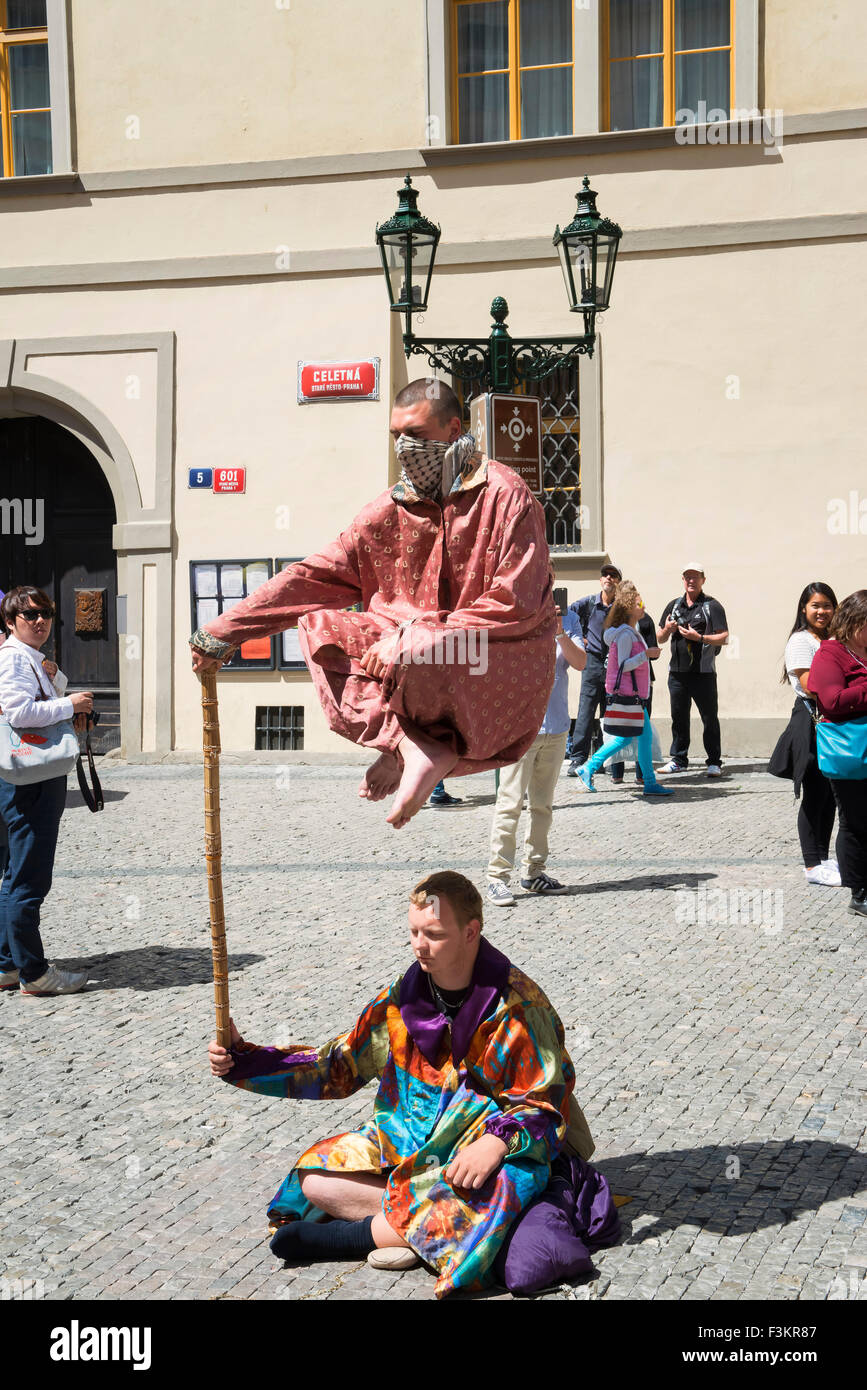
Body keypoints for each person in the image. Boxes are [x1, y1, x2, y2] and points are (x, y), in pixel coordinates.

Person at [208, 870, 594, 1298]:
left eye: (433, 933)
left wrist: (496, 1143)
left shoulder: (517, 1007)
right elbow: (337, 1067)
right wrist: (246, 1061)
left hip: (478, 1152)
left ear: (471, 932)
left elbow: (543, 1105)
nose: (419, 945)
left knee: (506, 1188)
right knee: (315, 1178)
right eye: (413, 931)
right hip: (404, 1142)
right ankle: (423, 1231)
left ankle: (362, 1235)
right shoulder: (402, 998)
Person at [190, 380, 557, 830]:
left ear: (453, 428)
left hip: (491, 667)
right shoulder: (383, 513)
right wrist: (225, 631)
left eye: (418, 435)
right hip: (413, 675)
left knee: (417, 646)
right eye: (396, 437)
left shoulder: (507, 495)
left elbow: (512, 602)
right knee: (318, 628)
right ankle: (404, 742)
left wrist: (414, 636)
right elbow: (310, 578)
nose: (405, 448)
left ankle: (412, 745)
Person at [0, 586, 94, 995]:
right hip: (31, 780)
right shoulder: (14, 659)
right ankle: (35, 974)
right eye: (29, 615)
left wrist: (57, 680)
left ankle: (7, 965)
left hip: (31, 777)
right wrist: (70, 705)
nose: (39, 621)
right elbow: (19, 712)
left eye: (45, 614)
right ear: (10, 621)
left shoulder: (31, 659)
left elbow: (42, 695)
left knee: (16, 875)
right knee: (29, 881)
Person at [486, 606, 586, 905]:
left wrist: (559, 632)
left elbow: (580, 662)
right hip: (520, 729)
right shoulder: (512, 615)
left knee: (543, 806)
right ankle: (497, 877)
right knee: (510, 803)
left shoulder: (568, 619)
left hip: (555, 727)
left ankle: (534, 871)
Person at [768, 583, 840, 886]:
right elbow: (811, 685)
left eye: (827, 605)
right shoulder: (801, 641)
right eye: (816, 606)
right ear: (804, 609)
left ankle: (823, 858)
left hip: (830, 718)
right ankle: (812, 864)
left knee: (829, 795)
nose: (822, 611)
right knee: (814, 792)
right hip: (811, 718)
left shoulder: (832, 639)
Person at [573, 581, 673, 797]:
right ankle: (592, 768)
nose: (644, 606)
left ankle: (647, 782)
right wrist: (645, 656)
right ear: (629, 609)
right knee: (629, 738)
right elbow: (622, 666)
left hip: (633, 695)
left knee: (632, 738)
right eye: (640, 603)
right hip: (630, 695)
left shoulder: (627, 632)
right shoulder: (626, 634)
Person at [807, 591, 867, 918]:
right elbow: (832, 701)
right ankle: (859, 893)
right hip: (851, 750)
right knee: (856, 821)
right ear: (856, 622)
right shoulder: (830, 654)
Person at [657, 564, 729, 775]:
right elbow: (659, 637)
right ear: (683, 579)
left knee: (709, 718)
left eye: (695, 577)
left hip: (703, 673)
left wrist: (700, 638)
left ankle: (714, 762)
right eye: (688, 577)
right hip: (677, 673)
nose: (691, 580)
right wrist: (668, 630)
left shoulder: (711, 606)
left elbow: (724, 637)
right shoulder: (674, 605)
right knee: (679, 718)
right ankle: (678, 759)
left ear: (703, 580)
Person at [566, 564, 624, 782]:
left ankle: (603, 760)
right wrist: (577, 638)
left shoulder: (623, 607)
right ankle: (578, 759)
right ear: (600, 580)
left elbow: (640, 615)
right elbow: (566, 615)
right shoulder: (589, 603)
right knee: (586, 711)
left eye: (613, 575)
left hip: (616, 665)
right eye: (605, 575)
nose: (608, 578)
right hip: (592, 662)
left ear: (619, 581)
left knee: (609, 713)